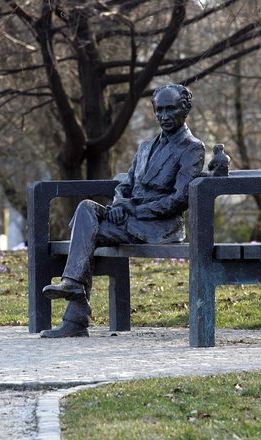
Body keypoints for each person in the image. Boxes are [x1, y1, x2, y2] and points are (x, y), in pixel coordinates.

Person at [41, 83, 205, 338]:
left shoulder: (192, 148)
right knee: (86, 211)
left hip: (158, 227)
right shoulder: (145, 147)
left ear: (184, 110)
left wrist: (132, 209)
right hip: (128, 220)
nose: (164, 115)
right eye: (159, 110)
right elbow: (125, 185)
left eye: (170, 108)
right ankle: (72, 288)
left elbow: (179, 199)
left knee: (85, 233)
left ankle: (76, 315)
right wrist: (118, 206)